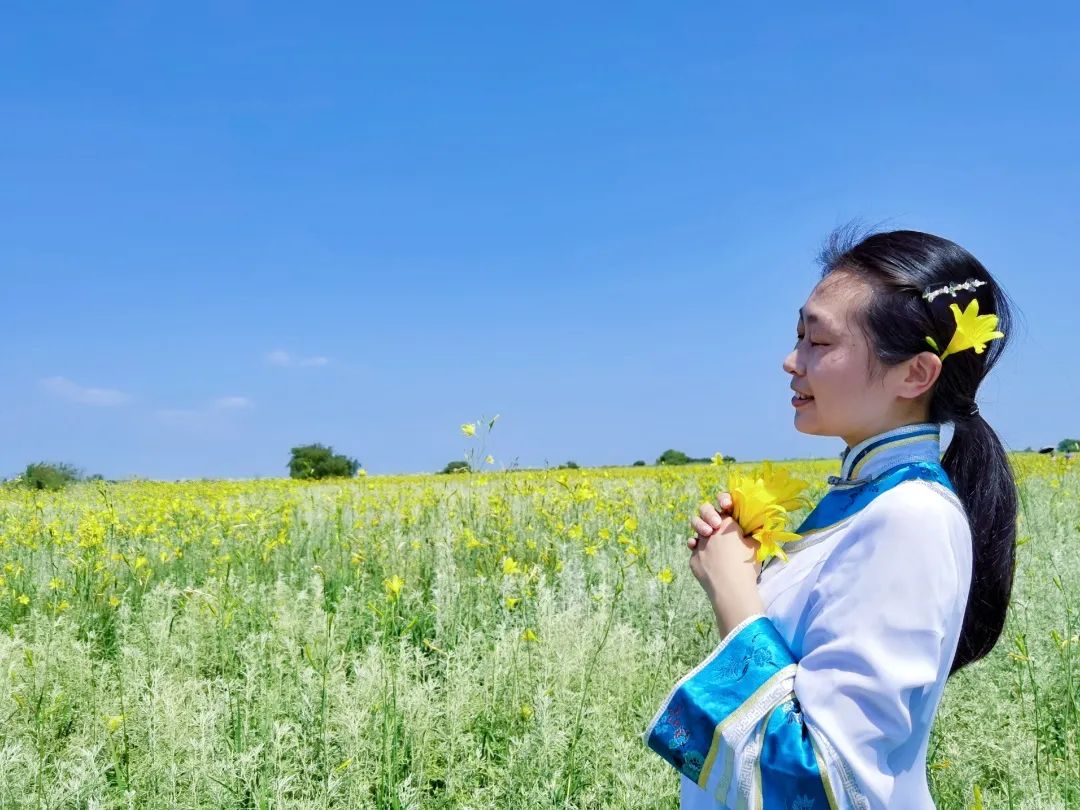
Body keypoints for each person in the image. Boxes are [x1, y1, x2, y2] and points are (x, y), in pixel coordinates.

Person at [642, 228, 1018, 809]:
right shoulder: (865, 501)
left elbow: (824, 781)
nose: (791, 361)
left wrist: (734, 595)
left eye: (818, 341)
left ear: (915, 375)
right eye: (798, 336)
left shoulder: (909, 518)